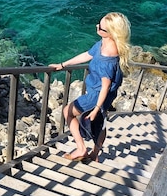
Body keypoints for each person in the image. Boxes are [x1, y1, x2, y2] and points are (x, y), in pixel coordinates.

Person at [50, 12, 131, 162]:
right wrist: (63, 64)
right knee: (101, 123)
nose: (96, 27)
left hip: (97, 95)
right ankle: (95, 153)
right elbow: (87, 55)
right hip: (106, 96)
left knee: (67, 111)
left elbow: (105, 85)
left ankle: (81, 148)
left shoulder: (106, 55)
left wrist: (95, 108)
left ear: (109, 32)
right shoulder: (106, 44)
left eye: (100, 27)